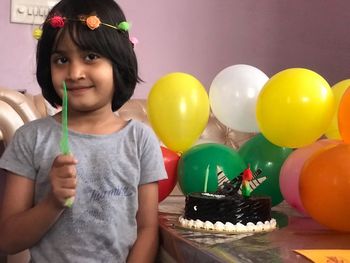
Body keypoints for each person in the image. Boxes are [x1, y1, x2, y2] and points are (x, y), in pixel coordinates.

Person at [0, 0, 167, 262]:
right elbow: (8, 239)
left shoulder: (139, 140)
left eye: (91, 56)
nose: (74, 73)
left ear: (118, 62)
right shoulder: (30, 139)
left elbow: (147, 229)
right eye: (62, 59)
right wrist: (53, 202)